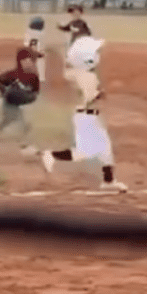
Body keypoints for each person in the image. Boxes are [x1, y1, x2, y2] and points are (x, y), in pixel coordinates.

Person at [39, 36, 128, 192]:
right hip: (86, 118)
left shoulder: (76, 73)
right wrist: (100, 94)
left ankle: (109, 181)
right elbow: (90, 99)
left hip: (86, 117)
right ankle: (51, 154)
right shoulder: (87, 77)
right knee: (84, 152)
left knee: (105, 149)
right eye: (95, 53)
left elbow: (68, 73)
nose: (98, 55)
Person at [57, 4, 92, 83]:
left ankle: (83, 78)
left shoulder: (83, 23)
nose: (74, 14)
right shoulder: (72, 22)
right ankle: (74, 78)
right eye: (73, 13)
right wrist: (59, 26)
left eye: (77, 12)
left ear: (81, 13)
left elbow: (88, 33)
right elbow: (66, 28)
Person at [24, 16, 47, 83]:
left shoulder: (28, 33)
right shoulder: (42, 34)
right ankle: (41, 79)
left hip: (28, 53)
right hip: (38, 54)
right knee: (41, 62)